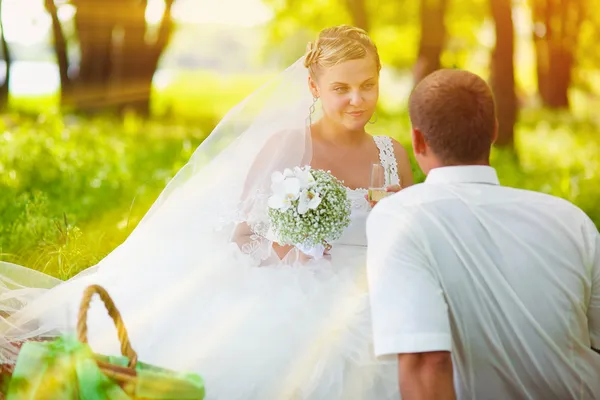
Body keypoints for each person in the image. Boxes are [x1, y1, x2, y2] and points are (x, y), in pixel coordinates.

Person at [0, 25, 414, 399]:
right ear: (313, 87)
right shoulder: (287, 147)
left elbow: (409, 234)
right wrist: (289, 249)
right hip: (295, 280)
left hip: (371, 282)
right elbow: (244, 236)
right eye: (341, 88)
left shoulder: (391, 153)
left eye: (368, 85)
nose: (357, 100)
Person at [366, 68, 600, 399]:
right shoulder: (570, 218)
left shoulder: (399, 215)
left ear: (417, 140)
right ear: (494, 130)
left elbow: (425, 362)